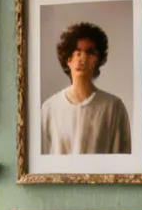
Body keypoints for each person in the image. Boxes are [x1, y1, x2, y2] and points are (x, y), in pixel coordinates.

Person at [40, 21, 131, 155]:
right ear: (67, 59)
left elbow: (123, 159)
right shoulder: (49, 108)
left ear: (98, 60)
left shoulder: (113, 107)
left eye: (89, 52)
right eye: (77, 51)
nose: (82, 58)